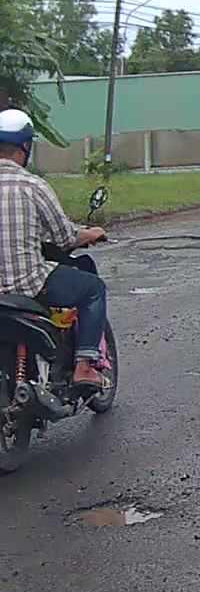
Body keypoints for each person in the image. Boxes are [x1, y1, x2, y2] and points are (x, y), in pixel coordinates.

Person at [0, 109, 109, 389]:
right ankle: (84, 367)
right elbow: (64, 237)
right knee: (93, 288)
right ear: (25, 147)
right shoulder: (32, 186)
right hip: (27, 285)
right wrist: (91, 233)